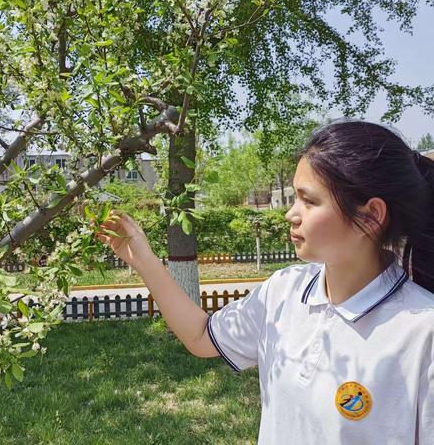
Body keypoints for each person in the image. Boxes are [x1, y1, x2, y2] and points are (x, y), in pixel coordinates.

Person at [95, 120, 434, 444]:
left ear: (372, 215)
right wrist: (139, 254)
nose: (291, 213)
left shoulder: (422, 332)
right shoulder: (284, 291)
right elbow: (200, 337)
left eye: (309, 200)